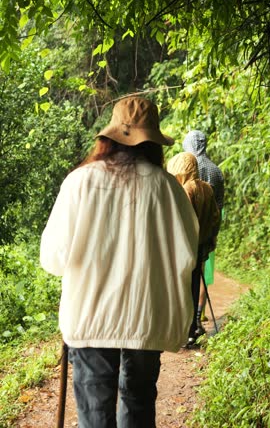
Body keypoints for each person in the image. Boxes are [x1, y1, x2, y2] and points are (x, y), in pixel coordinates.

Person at [40, 96, 199, 428]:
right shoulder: (168, 188)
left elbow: (53, 258)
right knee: (139, 406)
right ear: (153, 142)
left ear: (109, 137)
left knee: (95, 415)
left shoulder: (79, 182)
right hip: (147, 317)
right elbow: (187, 256)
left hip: (90, 317)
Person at [167, 152, 220, 346]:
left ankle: (182, 331)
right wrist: (210, 238)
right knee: (193, 284)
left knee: (180, 288)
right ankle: (191, 329)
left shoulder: (186, 189)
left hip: (185, 247)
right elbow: (215, 217)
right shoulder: (207, 188)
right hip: (200, 246)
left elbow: (183, 220)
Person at [182, 130, 224, 322]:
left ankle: (190, 318)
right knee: (203, 270)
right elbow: (219, 204)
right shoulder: (216, 170)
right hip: (209, 226)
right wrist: (214, 231)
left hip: (190, 227)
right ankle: (200, 314)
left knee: (187, 273)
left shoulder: (187, 166)